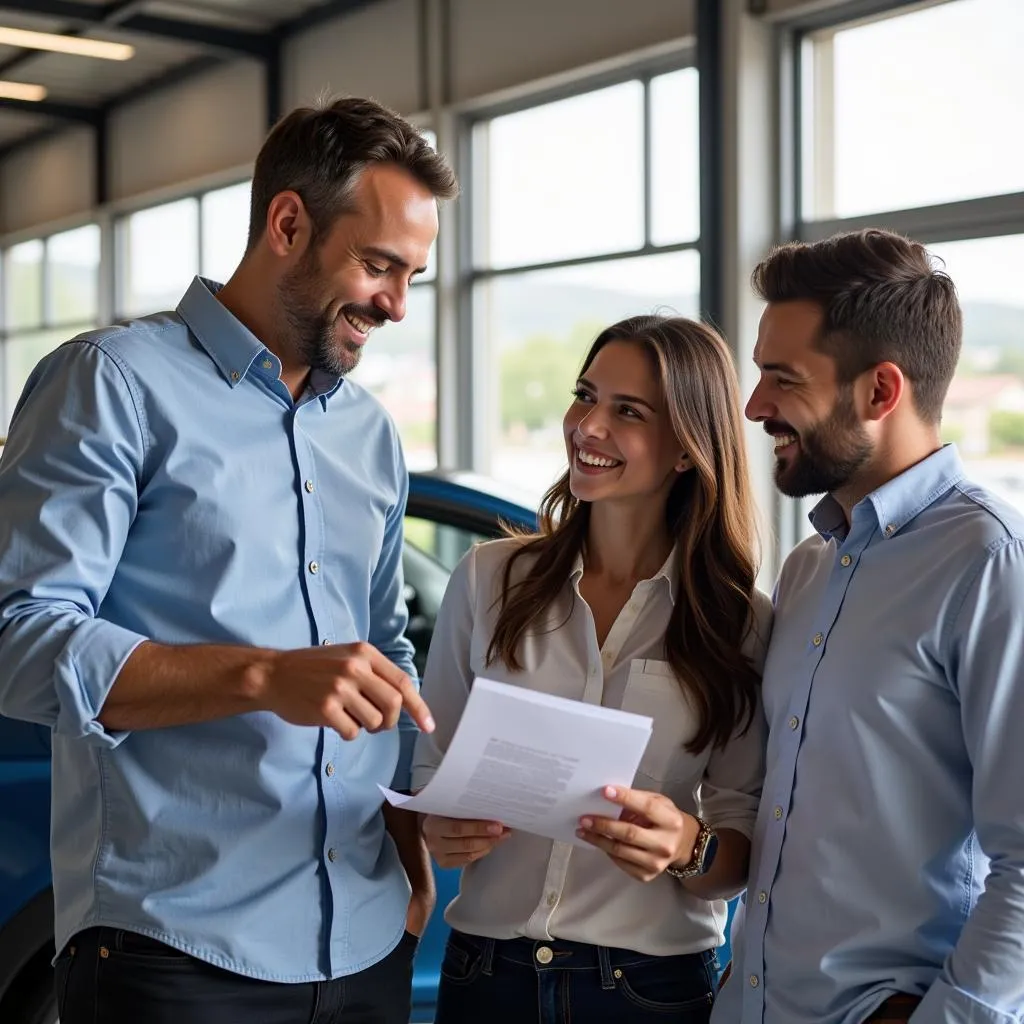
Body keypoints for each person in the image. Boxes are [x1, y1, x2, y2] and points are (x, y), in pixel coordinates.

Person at [0, 96, 458, 1024]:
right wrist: (262, 675)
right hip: (177, 951)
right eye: (378, 266)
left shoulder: (369, 435)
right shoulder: (113, 384)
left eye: (413, 276)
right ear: (288, 223)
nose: (396, 305)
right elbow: (20, 640)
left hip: (366, 938)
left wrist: (415, 822)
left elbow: (383, 650)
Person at [412, 315, 773, 1024]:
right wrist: (441, 829)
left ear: (684, 449)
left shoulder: (740, 624)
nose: (587, 426)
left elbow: (741, 844)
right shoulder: (489, 578)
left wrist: (686, 846)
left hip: (649, 990)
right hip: (486, 974)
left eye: (627, 411)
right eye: (586, 395)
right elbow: (433, 772)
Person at [712, 229, 1024, 1024]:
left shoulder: (988, 563)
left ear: (879, 392)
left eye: (782, 379)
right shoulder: (809, 568)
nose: (754, 407)